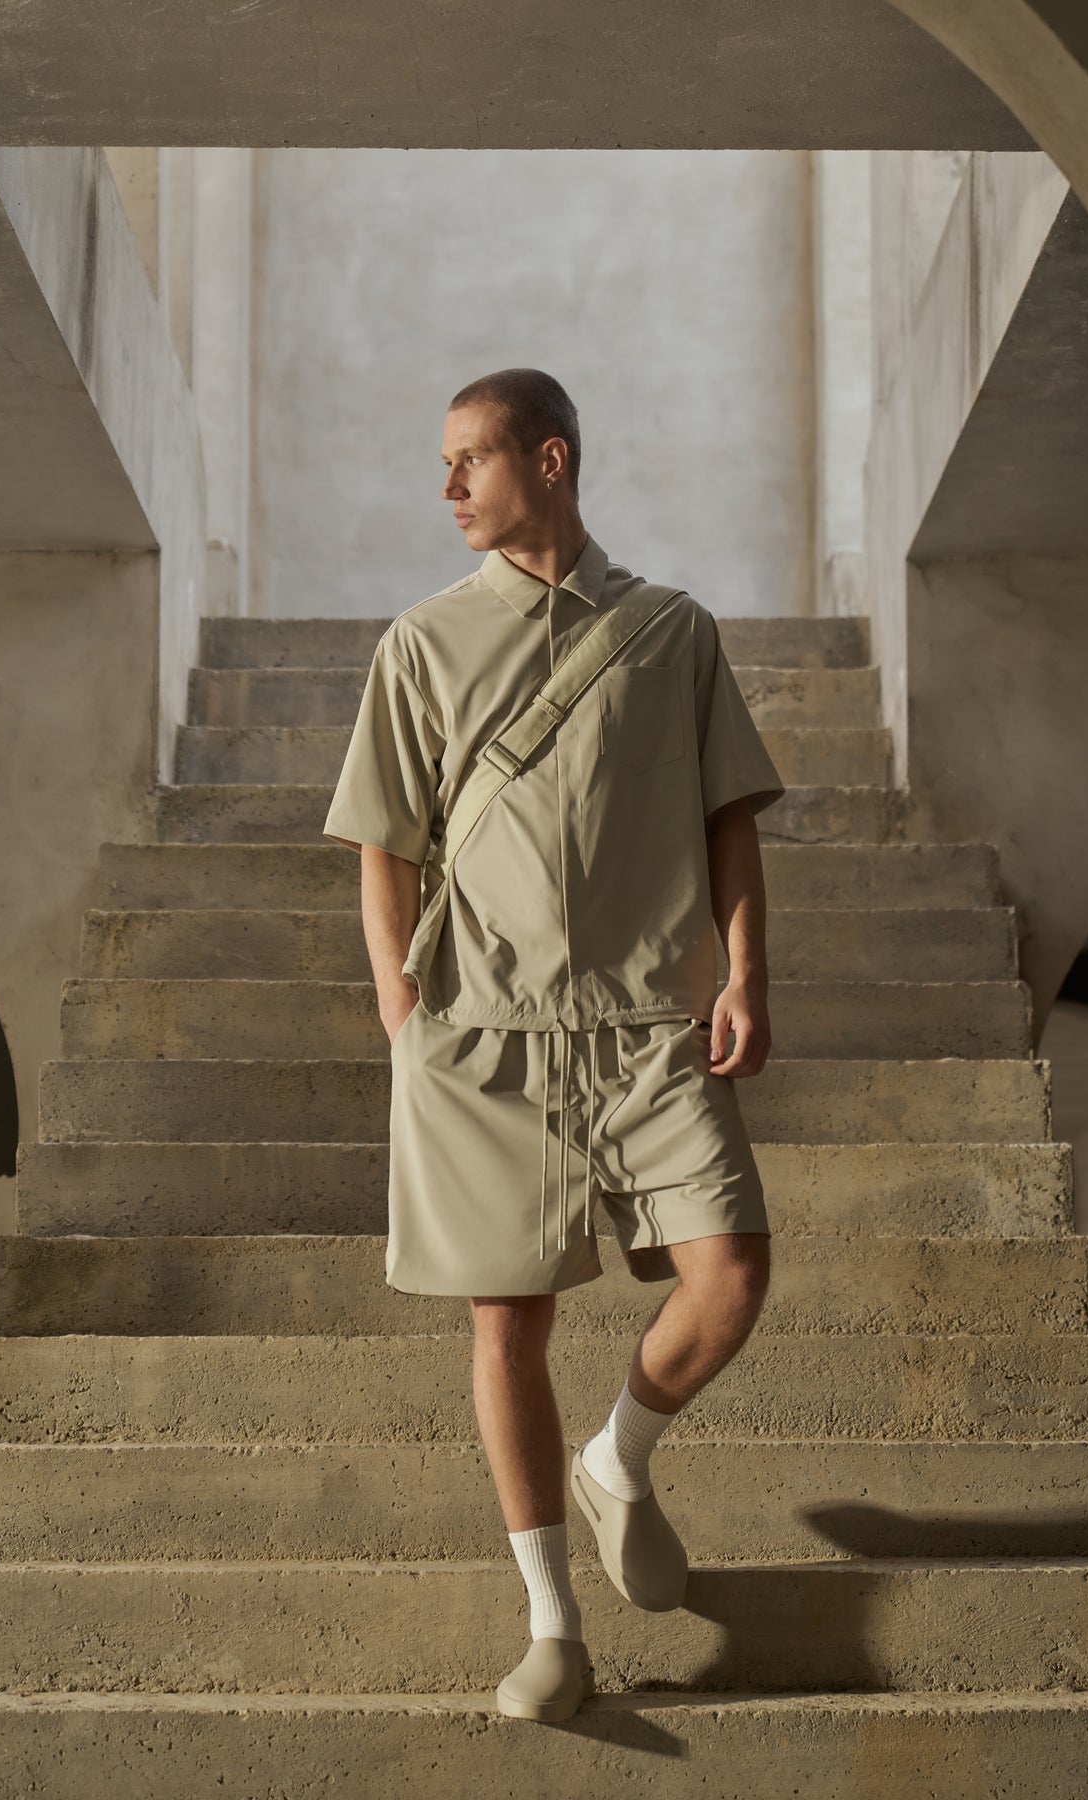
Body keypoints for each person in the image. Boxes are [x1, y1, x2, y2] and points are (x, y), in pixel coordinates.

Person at [323, 367, 785, 1723]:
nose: (448, 487)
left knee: (732, 1275)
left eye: (470, 459)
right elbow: (383, 845)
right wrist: (402, 1015)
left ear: (551, 459)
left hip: (649, 1026)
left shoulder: (672, 631)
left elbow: (729, 817)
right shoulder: (420, 642)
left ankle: (619, 1457)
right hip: (481, 1035)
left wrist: (746, 972)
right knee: (506, 1322)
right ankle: (551, 1626)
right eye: (444, 463)